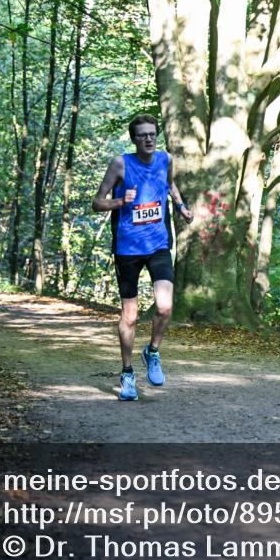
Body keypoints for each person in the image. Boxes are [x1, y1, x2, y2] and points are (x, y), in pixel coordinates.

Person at [92, 114, 193, 401]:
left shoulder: (166, 160)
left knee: (164, 307)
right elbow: (96, 202)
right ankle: (126, 373)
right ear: (133, 139)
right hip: (127, 249)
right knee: (131, 316)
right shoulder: (121, 164)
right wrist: (118, 201)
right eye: (142, 135)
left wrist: (181, 207)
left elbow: (170, 185)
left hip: (158, 244)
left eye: (152, 134)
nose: (148, 139)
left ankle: (153, 351)